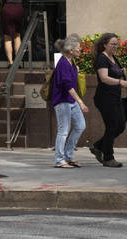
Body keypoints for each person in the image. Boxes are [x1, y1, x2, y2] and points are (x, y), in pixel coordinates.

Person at [88, 32, 127, 168]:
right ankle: (108, 157)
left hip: (115, 97)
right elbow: (104, 78)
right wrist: (120, 82)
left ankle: (98, 146)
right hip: (104, 98)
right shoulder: (102, 58)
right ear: (105, 45)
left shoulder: (113, 58)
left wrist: (121, 72)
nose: (115, 46)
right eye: (112, 44)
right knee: (112, 126)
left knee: (120, 125)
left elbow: (114, 72)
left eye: (116, 44)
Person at [50, 35, 88, 168]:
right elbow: (68, 87)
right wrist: (81, 102)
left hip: (71, 100)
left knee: (80, 126)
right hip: (62, 101)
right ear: (71, 50)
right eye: (78, 48)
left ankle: (68, 155)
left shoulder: (71, 62)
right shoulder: (63, 63)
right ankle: (59, 160)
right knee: (63, 130)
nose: (80, 50)